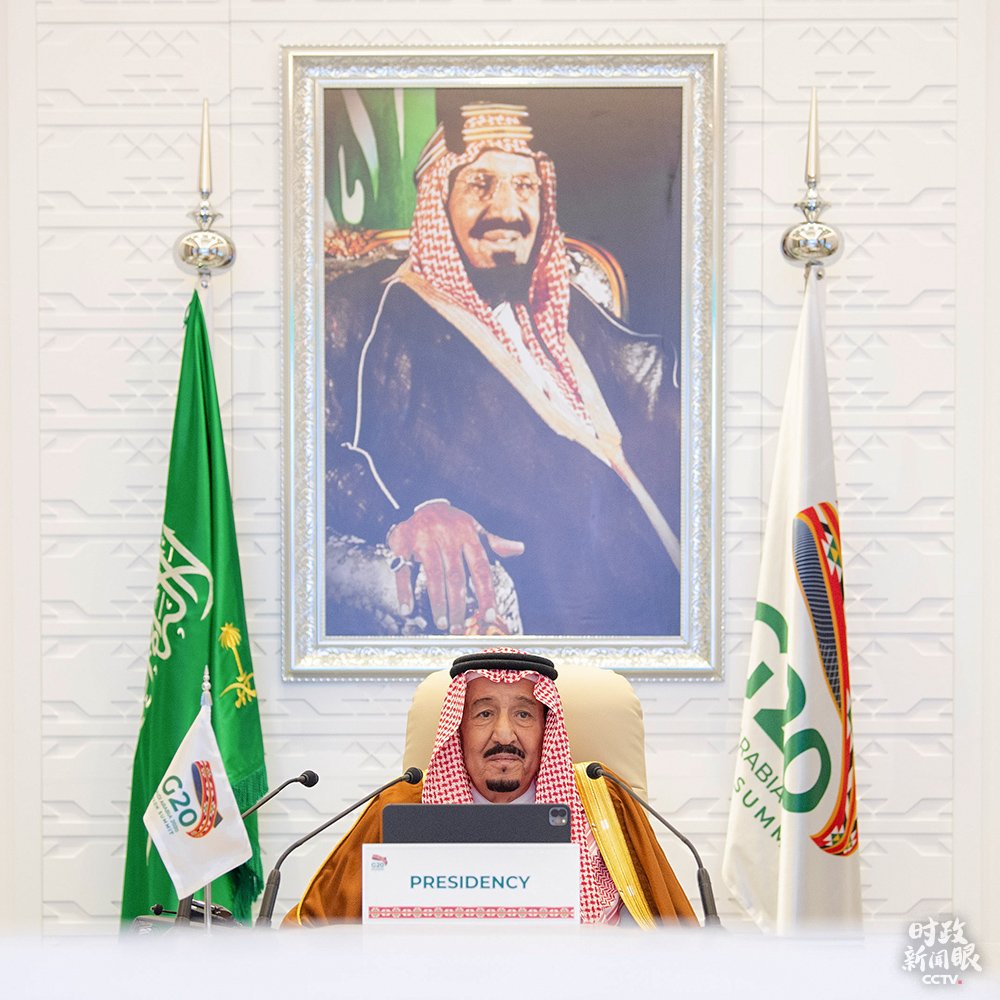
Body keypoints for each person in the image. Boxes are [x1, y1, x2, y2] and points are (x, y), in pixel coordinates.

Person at [325, 102, 681, 638]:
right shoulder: (370, 311)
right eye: (481, 184)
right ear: (437, 203)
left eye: (525, 186)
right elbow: (309, 453)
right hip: (547, 618)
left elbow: (655, 383)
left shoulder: (561, 305)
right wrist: (408, 514)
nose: (509, 210)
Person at [284, 648, 696, 927]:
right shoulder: (402, 805)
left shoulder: (603, 802)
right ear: (457, 729)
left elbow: (670, 939)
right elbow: (313, 936)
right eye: (483, 714)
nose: (504, 734)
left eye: (523, 714)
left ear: (546, 729)